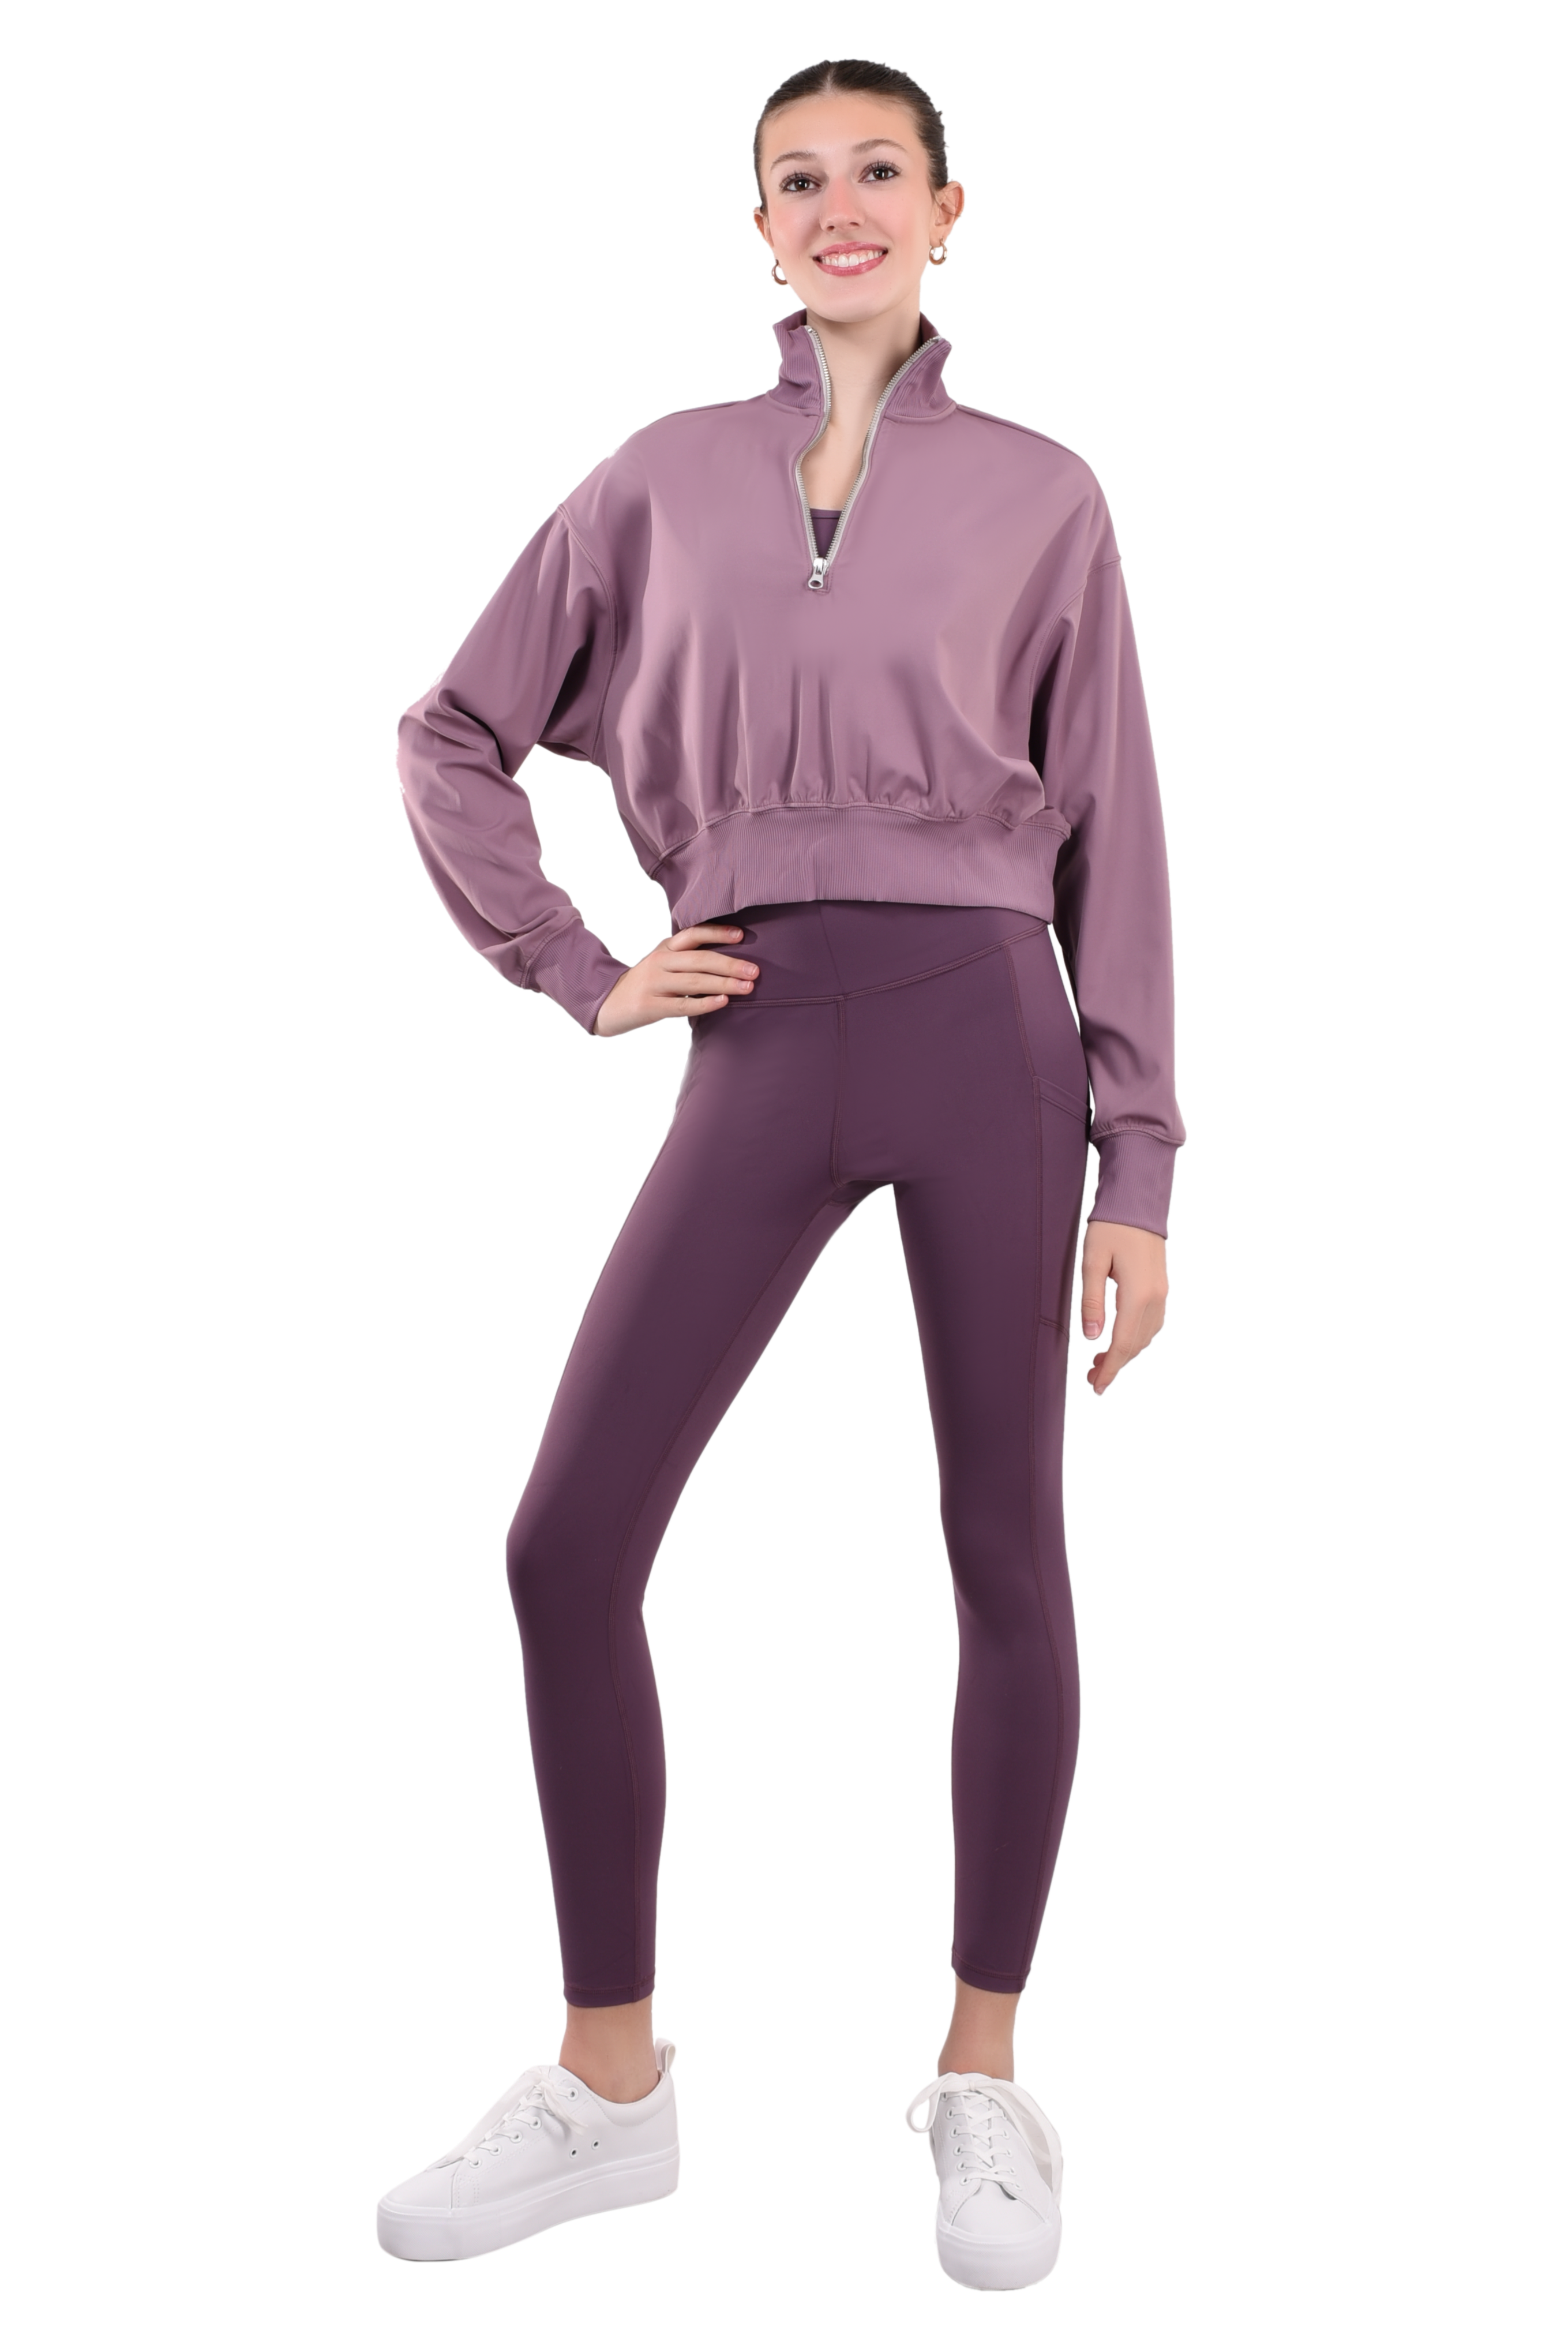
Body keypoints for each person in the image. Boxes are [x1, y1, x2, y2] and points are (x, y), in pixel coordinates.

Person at [376, 55, 1186, 2292]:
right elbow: (448, 732)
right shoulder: (656, 476)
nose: (841, 208)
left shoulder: (1043, 494)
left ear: (947, 211)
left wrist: (1137, 1162)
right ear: (757, 228)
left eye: (878, 174)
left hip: (984, 1030)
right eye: (797, 180)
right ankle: (609, 2085)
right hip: (746, 1027)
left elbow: (1120, 835)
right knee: (560, 1542)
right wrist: (579, 969)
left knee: (1001, 1545)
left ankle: (987, 2077)